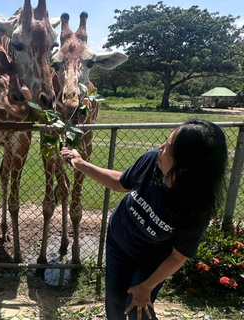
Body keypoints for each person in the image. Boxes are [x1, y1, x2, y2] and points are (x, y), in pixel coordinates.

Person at [60, 119, 228, 320]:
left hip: (152, 260)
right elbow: (120, 182)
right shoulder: (152, 161)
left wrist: (146, 286)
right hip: (118, 243)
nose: (160, 148)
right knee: (115, 306)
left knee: (138, 309)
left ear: (186, 166)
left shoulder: (197, 206)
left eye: (168, 147)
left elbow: (178, 256)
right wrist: (81, 164)